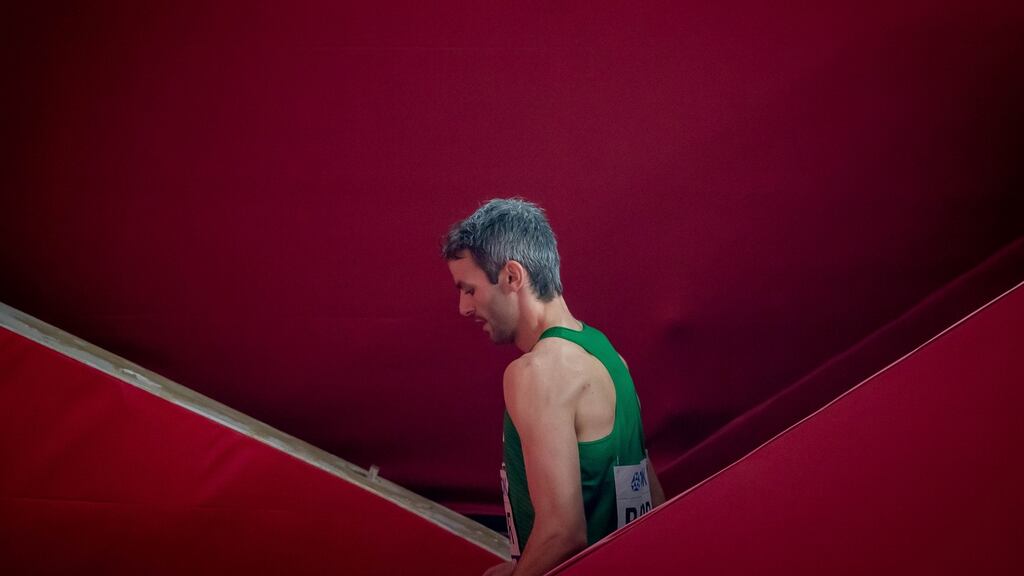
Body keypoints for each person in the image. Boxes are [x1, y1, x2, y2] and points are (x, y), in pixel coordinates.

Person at [442, 198, 665, 576]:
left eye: (469, 289)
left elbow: (563, 533)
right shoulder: (608, 356)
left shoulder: (536, 372)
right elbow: (653, 499)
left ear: (512, 277)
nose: (463, 307)